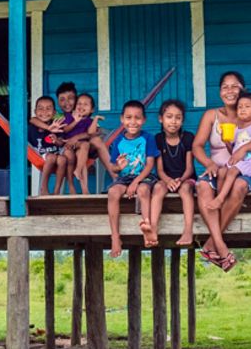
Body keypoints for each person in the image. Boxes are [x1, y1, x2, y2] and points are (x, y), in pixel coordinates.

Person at [193, 72, 251, 270]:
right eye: (225, 87)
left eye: (234, 86)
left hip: (244, 171)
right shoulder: (212, 115)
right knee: (203, 187)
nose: (229, 91)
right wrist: (209, 164)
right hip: (217, 170)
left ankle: (211, 245)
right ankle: (220, 245)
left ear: (243, 90)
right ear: (220, 91)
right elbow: (197, 146)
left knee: (239, 186)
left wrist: (245, 148)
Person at [104, 100, 159, 257]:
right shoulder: (118, 141)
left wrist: (135, 182)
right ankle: (115, 236)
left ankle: (147, 228)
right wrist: (119, 167)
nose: (133, 122)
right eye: (128, 118)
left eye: (137, 118)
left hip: (144, 176)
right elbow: (113, 167)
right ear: (122, 119)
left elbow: (149, 165)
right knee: (113, 192)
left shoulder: (148, 138)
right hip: (125, 178)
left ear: (144, 120)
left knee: (143, 190)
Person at [145, 99, 195, 248]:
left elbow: (190, 168)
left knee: (185, 190)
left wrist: (180, 180)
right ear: (161, 119)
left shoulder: (188, 138)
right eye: (169, 117)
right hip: (165, 179)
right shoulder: (158, 139)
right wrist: (168, 181)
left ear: (182, 120)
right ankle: (152, 229)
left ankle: (188, 230)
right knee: (158, 188)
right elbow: (159, 169)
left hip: (186, 178)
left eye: (178, 117)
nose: (173, 121)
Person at [68, 93, 107, 194]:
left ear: (92, 110)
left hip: (83, 148)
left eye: (85, 104)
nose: (81, 106)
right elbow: (66, 130)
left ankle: (85, 190)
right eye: (79, 103)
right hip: (70, 146)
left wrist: (96, 119)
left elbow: (91, 132)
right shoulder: (70, 118)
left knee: (83, 160)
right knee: (84, 149)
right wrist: (75, 121)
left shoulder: (90, 121)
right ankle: (78, 170)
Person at [28, 96, 66, 196]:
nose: (44, 112)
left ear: (54, 113)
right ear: (35, 111)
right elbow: (32, 120)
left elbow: (61, 143)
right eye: (40, 108)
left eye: (48, 108)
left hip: (56, 155)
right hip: (39, 156)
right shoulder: (31, 128)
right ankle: (43, 188)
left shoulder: (57, 125)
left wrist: (56, 140)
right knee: (51, 157)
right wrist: (49, 128)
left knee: (62, 160)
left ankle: (57, 190)